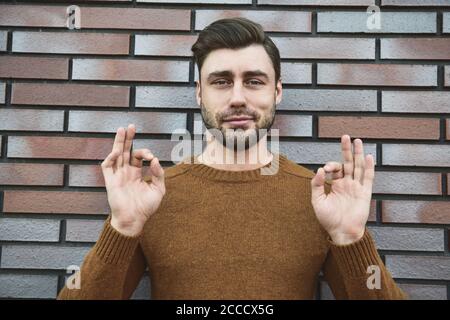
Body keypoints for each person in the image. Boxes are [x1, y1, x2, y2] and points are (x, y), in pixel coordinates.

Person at [57, 17, 407, 300]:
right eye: (221, 82)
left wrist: (350, 237)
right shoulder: (150, 198)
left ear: (277, 91)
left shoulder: (322, 199)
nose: (238, 97)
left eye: (254, 81)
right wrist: (123, 228)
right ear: (199, 93)